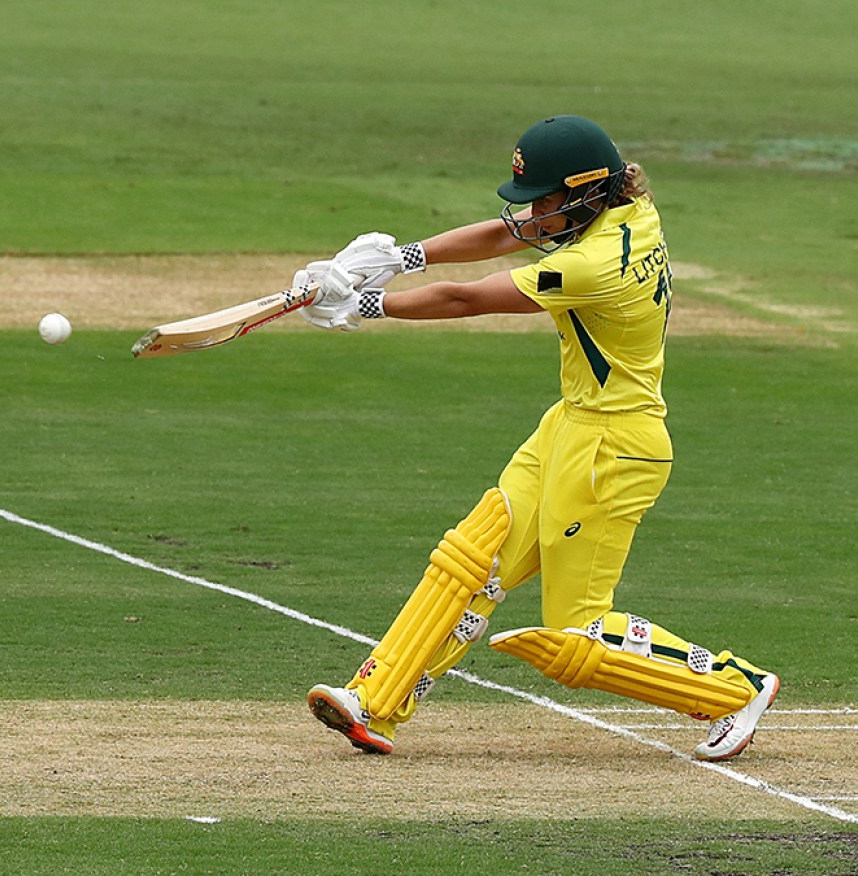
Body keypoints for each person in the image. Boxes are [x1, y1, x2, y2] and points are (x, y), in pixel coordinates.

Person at [297, 115, 778, 762]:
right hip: (570, 424)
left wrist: (364, 305)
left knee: (576, 631)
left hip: (615, 449)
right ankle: (374, 700)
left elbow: (466, 300)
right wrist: (395, 258)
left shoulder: (593, 265)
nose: (531, 216)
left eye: (544, 201)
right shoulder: (624, 210)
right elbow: (506, 232)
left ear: (583, 192)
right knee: (475, 555)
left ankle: (733, 687)